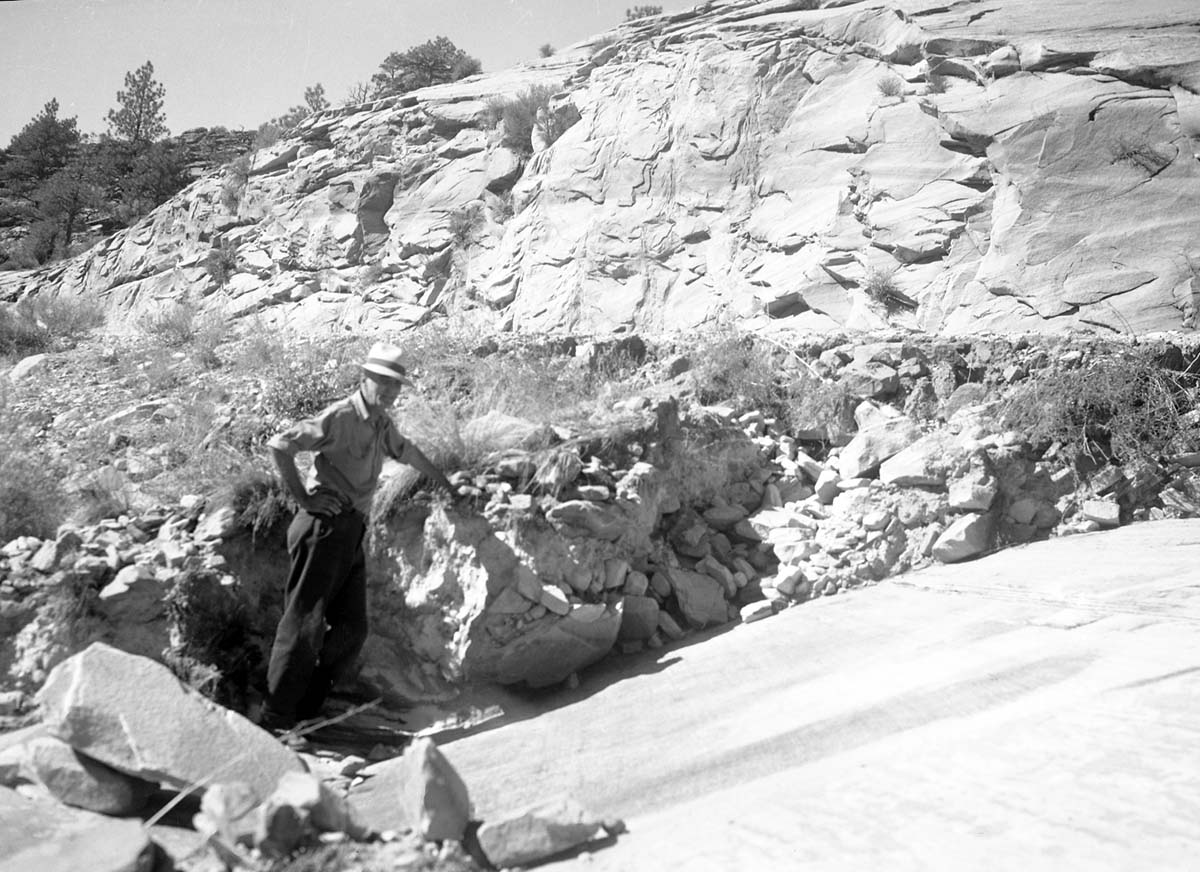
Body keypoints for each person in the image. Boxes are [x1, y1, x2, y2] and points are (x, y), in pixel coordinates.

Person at [259, 341, 454, 732]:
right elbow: (280, 445)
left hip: (351, 529)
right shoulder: (342, 415)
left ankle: (307, 712)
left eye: (395, 384)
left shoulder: (380, 422)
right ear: (364, 378)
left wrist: (446, 482)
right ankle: (276, 720)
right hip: (322, 527)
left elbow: (408, 452)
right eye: (382, 381)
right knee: (303, 625)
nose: (390, 390)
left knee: (352, 629)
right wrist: (303, 498)